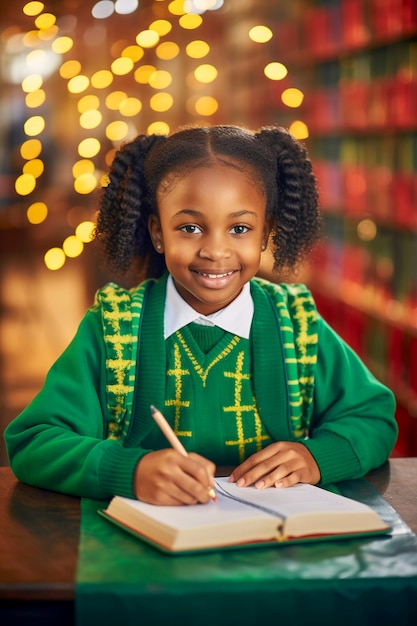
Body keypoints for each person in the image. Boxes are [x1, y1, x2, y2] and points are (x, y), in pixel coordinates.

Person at [4, 125, 397, 505]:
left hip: (270, 546)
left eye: (239, 228)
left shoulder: (297, 325)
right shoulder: (112, 327)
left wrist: (316, 457)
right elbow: (34, 441)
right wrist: (130, 471)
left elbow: (372, 417)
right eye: (190, 227)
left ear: (265, 233)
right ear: (158, 233)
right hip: (141, 554)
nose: (215, 251)